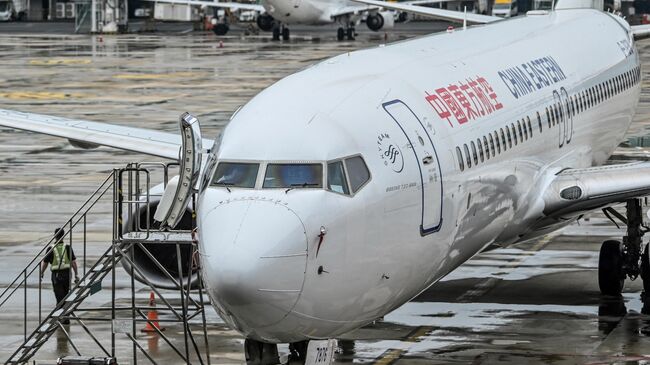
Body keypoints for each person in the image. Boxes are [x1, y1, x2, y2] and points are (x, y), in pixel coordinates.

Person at [40, 228, 79, 314]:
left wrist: (41, 273)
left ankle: (61, 316)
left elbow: (45, 263)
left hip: (56, 276)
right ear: (63, 236)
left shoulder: (50, 248)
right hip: (67, 275)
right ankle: (65, 316)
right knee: (65, 296)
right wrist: (76, 274)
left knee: (59, 297)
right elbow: (74, 263)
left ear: (55, 236)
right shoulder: (68, 247)